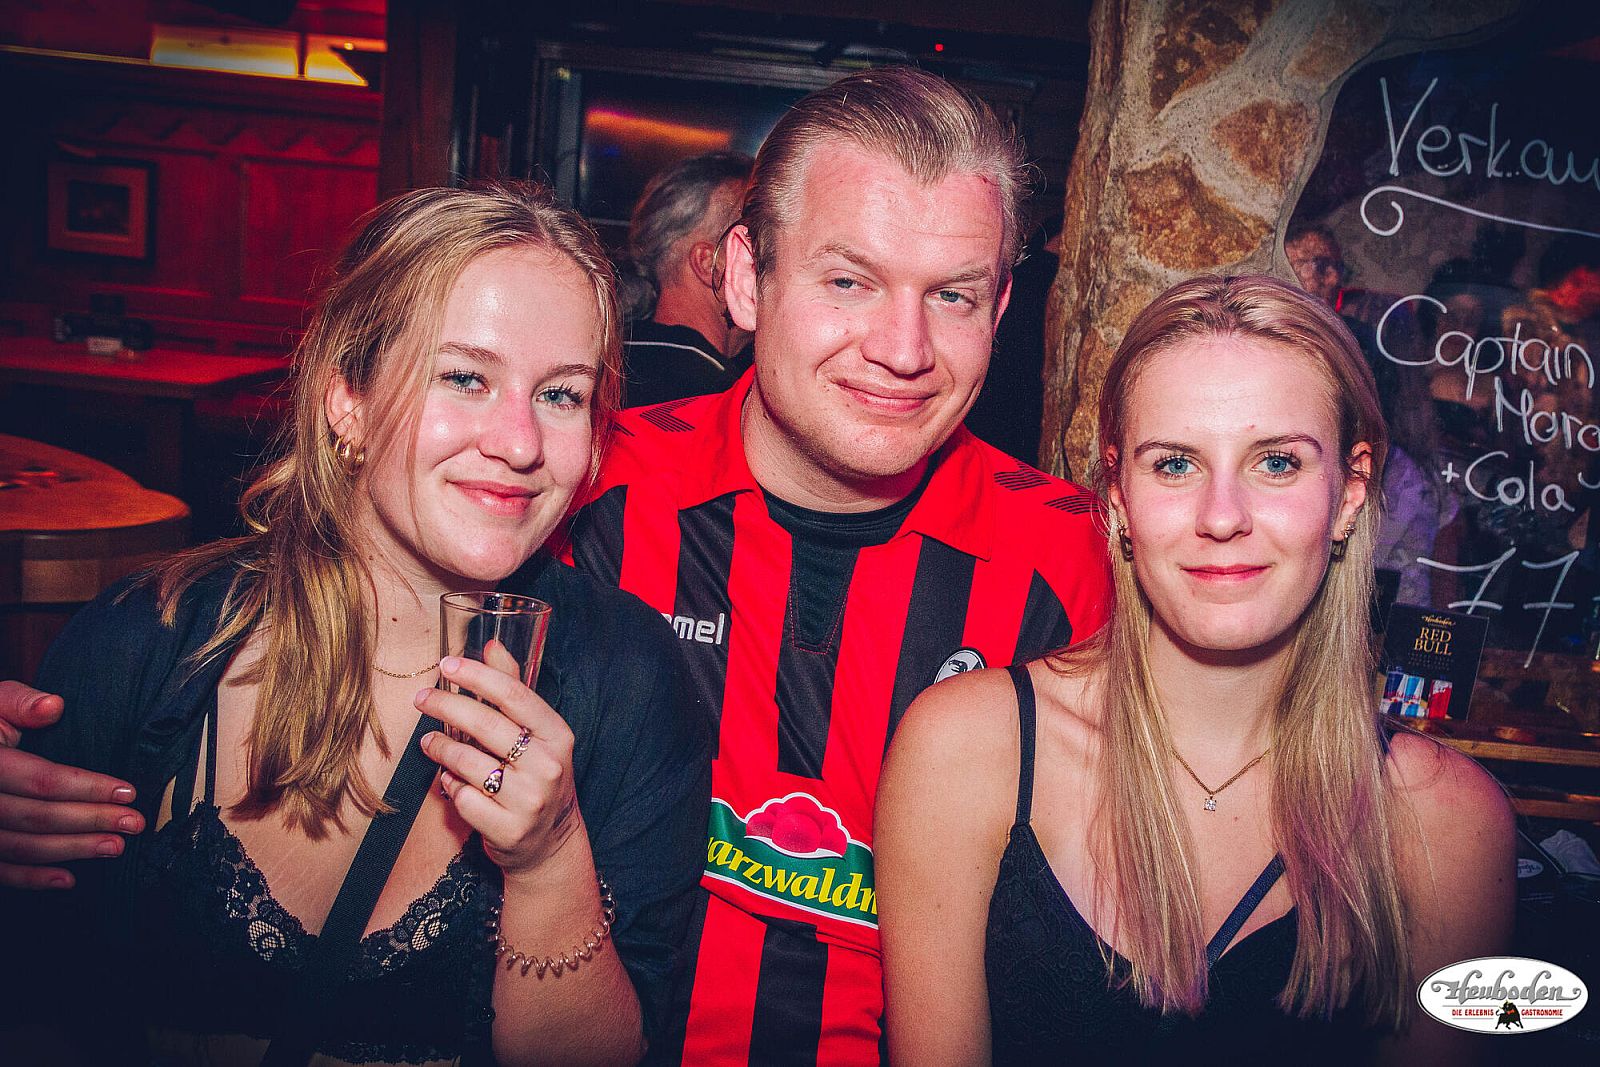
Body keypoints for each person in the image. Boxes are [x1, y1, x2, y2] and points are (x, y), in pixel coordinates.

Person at [0, 67, 1112, 1066]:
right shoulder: (577, 492)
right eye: (850, 280)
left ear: (1003, 308)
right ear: (742, 277)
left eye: (954, 294)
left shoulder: (1073, 565)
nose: (904, 349)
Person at [0, 183, 710, 1065]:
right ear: (349, 399)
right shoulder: (151, 639)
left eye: (562, 395)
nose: (520, 443)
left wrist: (548, 856)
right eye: (465, 377)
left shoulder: (632, 680)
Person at [876, 274, 1514, 1064]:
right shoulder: (968, 750)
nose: (1222, 516)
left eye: (1276, 462)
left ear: (1349, 494)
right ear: (1118, 497)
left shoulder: (1444, 822)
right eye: (1176, 464)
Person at [620, 151, 754, 407]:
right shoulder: (721, 403)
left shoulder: (608, 364)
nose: (774, 263)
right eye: (758, 245)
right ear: (709, 264)